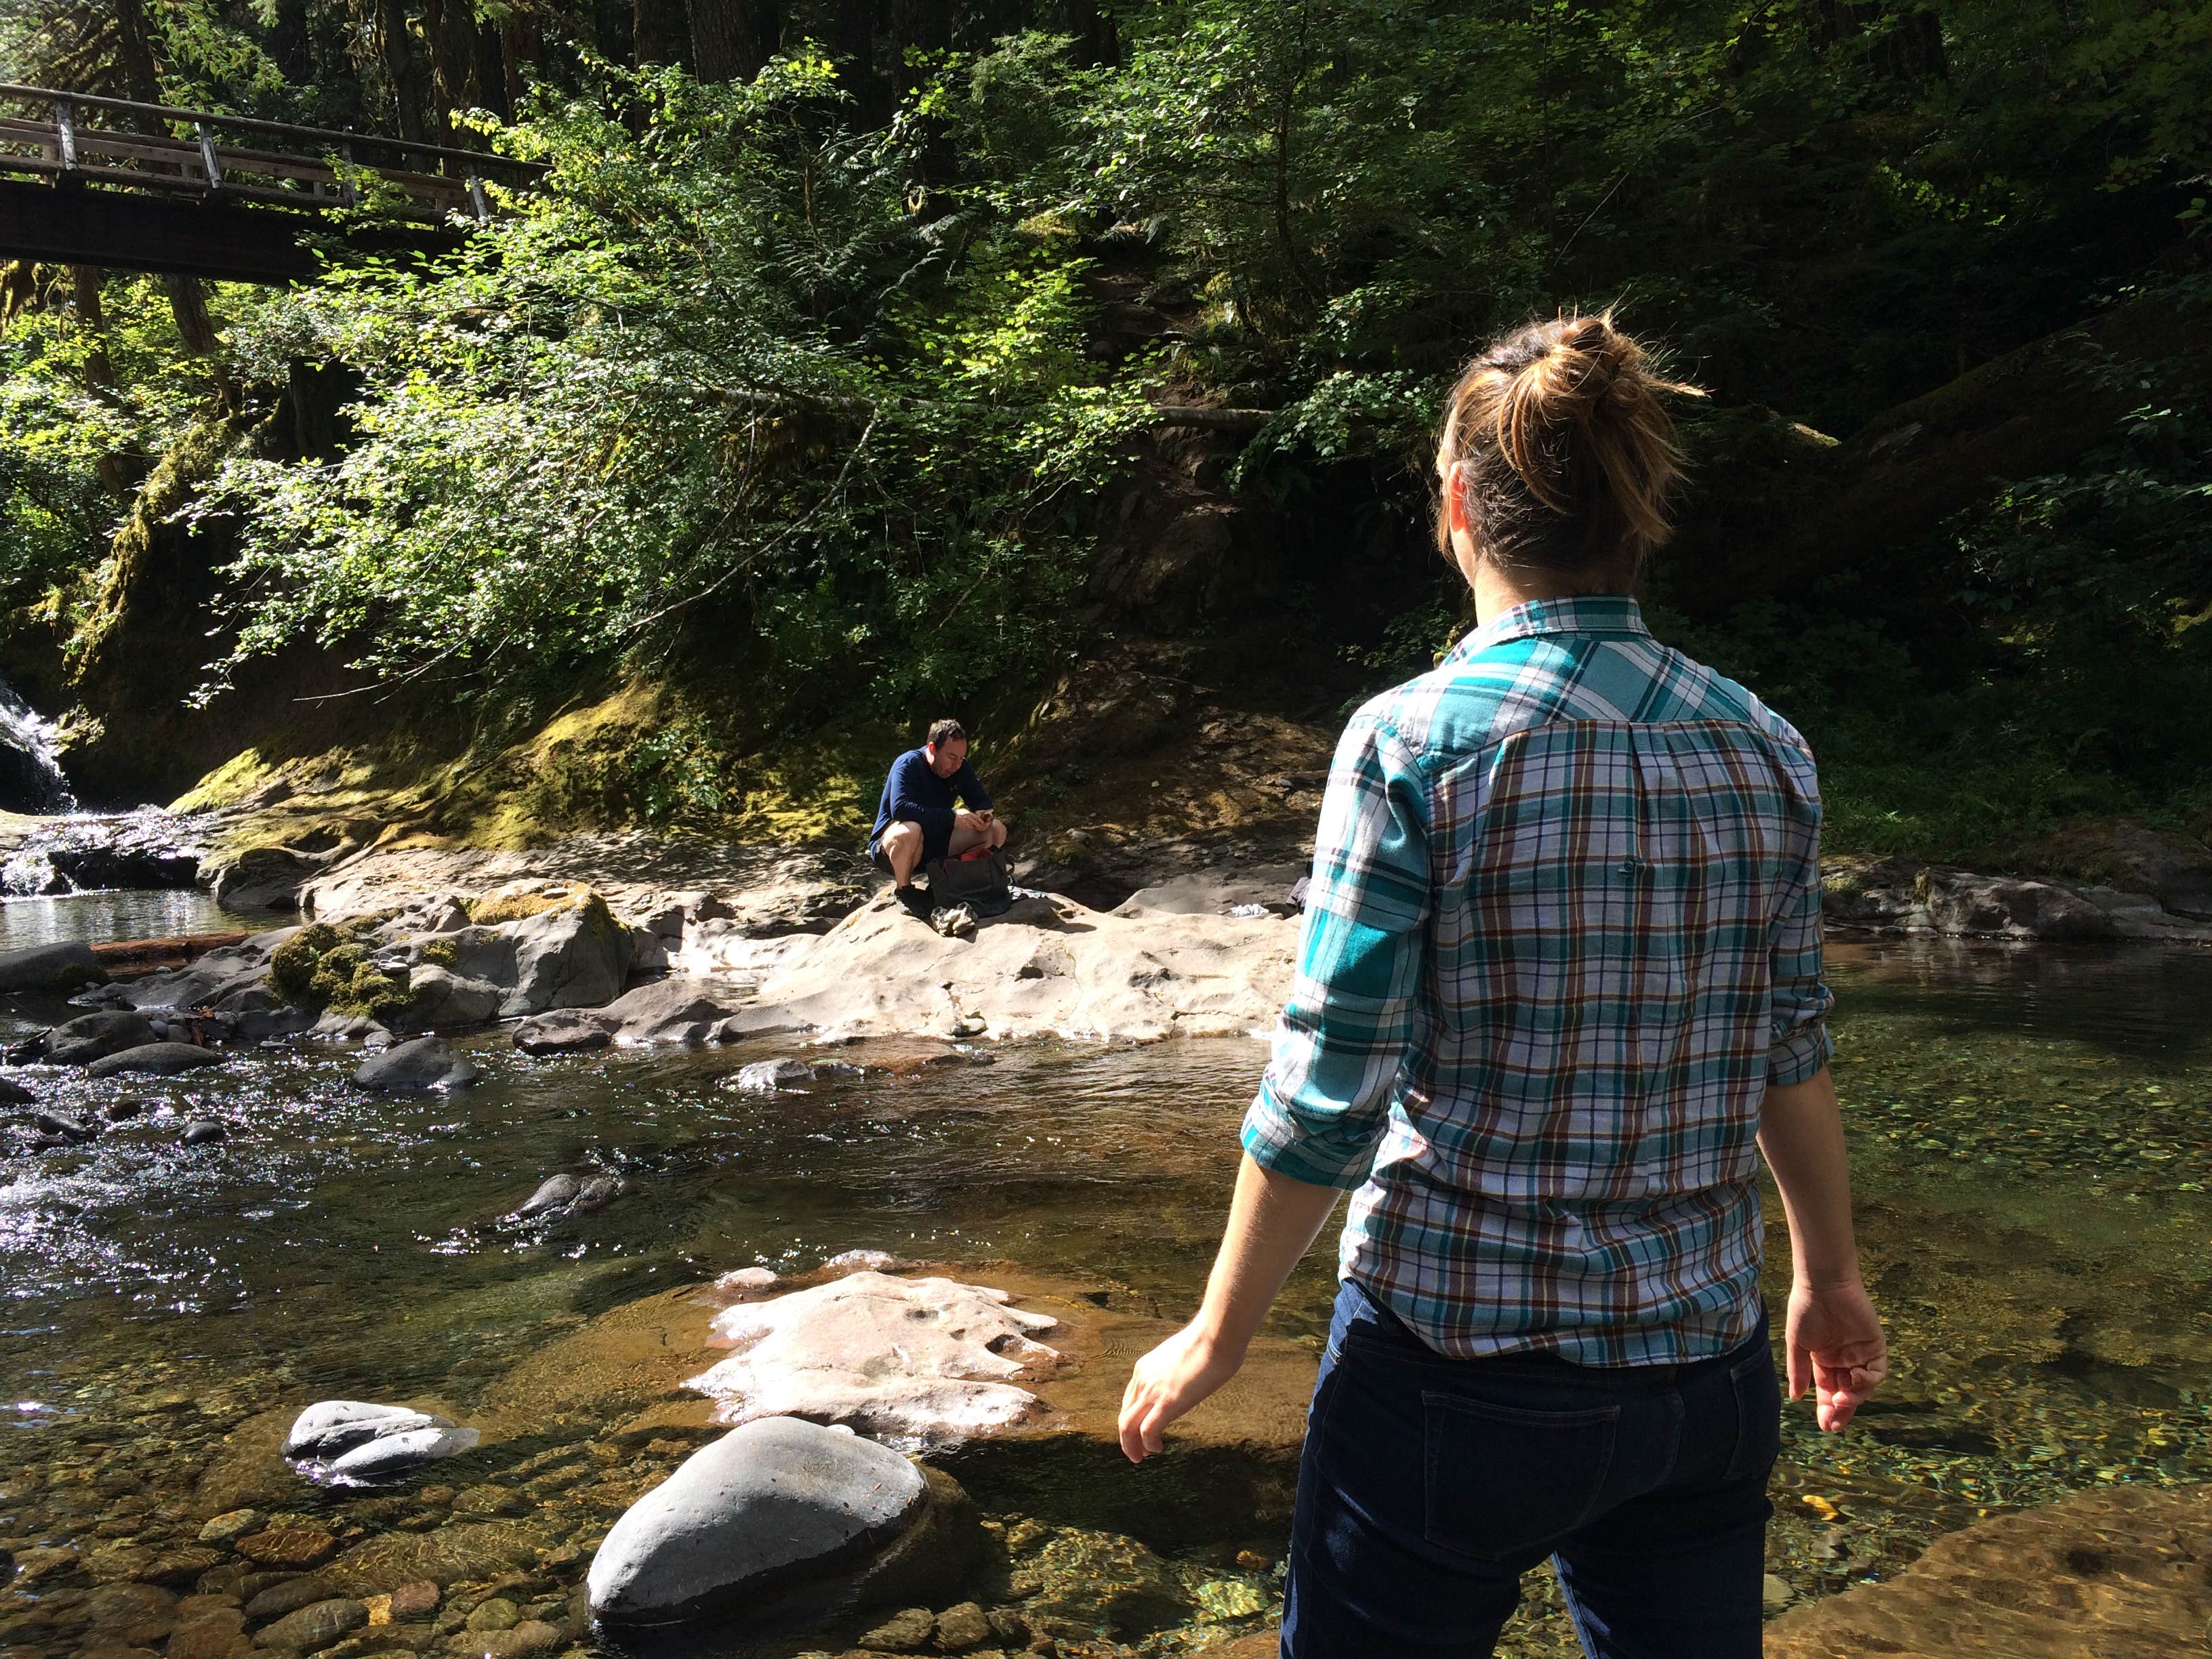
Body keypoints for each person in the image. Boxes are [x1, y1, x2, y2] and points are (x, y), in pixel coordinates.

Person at [1117, 312, 1887, 1659]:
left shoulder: (1412, 743)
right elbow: (1790, 1053)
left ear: (1459, 505)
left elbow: (1326, 1089)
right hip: (1700, 1371)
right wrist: (1828, 1276)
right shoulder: (1768, 747)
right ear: (1636, 510)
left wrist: (1217, 1336)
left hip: (1451, 1372)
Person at [870, 718, 1010, 921]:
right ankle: (905, 892)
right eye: (951, 757)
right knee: (910, 830)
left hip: (937, 845)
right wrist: (951, 817)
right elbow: (900, 809)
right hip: (895, 849)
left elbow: (981, 800)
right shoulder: (908, 764)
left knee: (996, 830)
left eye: (962, 757)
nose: (957, 764)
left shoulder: (961, 767)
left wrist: (984, 815)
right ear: (932, 748)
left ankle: (949, 884)